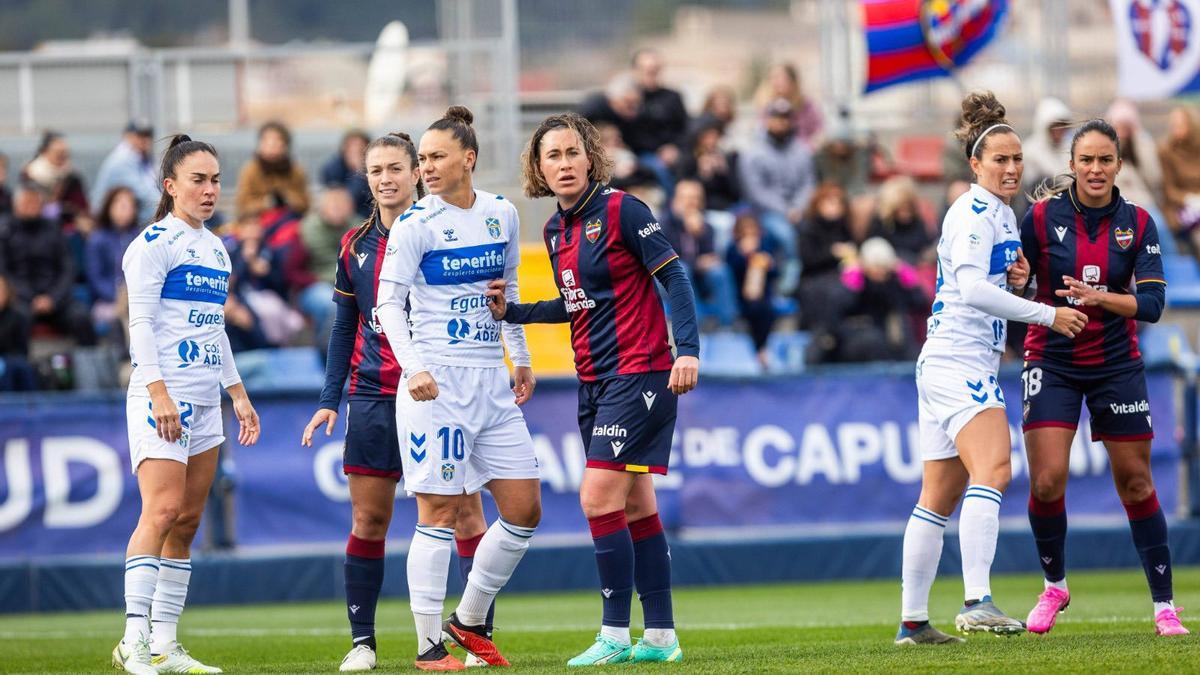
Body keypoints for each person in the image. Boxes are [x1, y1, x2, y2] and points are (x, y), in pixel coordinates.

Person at [486, 111, 699, 665]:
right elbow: (579, 303)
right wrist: (516, 311)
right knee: (634, 506)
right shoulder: (556, 231)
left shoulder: (623, 210)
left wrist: (689, 349)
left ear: (591, 158)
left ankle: (613, 633)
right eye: (551, 156)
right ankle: (660, 637)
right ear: (538, 167)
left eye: (572, 153)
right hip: (595, 379)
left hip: (641, 372)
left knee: (596, 498)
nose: (563, 164)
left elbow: (673, 276)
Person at [896, 92, 1088, 646]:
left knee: (937, 495)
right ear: (976, 165)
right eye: (999, 160)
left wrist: (1022, 282)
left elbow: (987, 285)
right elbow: (974, 290)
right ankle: (977, 599)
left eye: (1016, 159)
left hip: (946, 360)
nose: (1010, 168)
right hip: (959, 360)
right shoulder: (975, 211)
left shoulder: (1001, 215)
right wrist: (1048, 313)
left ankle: (912, 622)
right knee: (996, 470)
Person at [300, 131, 496, 672]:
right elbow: (344, 329)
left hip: (442, 393)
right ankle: (363, 642)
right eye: (375, 171)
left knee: (463, 510)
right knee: (369, 519)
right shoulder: (353, 246)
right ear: (366, 180)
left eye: (395, 168)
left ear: (416, 172)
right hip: (373, 393)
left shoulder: (446, 230)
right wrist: (328, 399)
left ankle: (473, 638)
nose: (386, 179)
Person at [375, 106, 542, 670]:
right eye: (422, 159)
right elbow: (387, 305)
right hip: (437, 386)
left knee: (525, 508)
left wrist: (519, 358)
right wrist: (414, 367)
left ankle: (468, 620)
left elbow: (508, 288)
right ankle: (427, 650)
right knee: (439, 512)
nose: (426, 167)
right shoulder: (414, 224)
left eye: (436, 156)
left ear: (468, 158)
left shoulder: (501, 212)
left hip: (492, 382)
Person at [1019, 119, 1187, 637]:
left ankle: (1164, 606)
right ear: (1071, 165)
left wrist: (1100, 300)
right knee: (1047, 481)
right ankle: (1055, 586)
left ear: (1118, 165)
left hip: (1116, 363)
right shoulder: (1041, 217)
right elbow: (1017, 284)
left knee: (1136, 482)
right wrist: (1020, 284)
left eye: (1105, 160)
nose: (1095, 169)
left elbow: (1155, 305)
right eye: (1086, 160)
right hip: (1051, 359)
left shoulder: (1138, 222)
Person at [111, 134, 260, 675]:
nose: (210, 189)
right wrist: (158, 393)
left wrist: (237, 392)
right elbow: (141, 325)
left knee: (189, 520)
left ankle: (165, 646)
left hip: (204, 399)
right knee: (163, 510)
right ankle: (133, 639)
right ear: (171, 186)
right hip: (163, 396)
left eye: (216, 179)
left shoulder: (216, 248)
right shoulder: (152, 243)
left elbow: (213, 327)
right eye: (198, 179)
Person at [0, 182, 96, 346]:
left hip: (56, 297)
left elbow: (68, 267)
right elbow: (5, 273)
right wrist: (31, 298)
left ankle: (89, 368)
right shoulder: (6, 232)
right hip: (20, 299)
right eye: (26, 202)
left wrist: (52, 298)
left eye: (34, 202)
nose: (30, 206)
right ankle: (22, 369)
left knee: (80, 317)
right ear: (16, 205)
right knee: (16, 320)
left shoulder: (54, 229)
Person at [740, 97, 817, 292]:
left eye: (785, 118)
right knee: (785, 234)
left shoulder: (802, 150)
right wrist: (785, 210)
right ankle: (787, 285)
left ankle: (809, 282)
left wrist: (798, 207)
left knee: (814, 229)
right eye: (776, 117)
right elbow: (755, 191)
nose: (781, 122)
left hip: (798, 209)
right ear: (767, 120)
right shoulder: (753, 152)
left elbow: (808, 183)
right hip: (765, 211)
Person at [290, 186, 358, 351]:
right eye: (333, 205)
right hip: (316, 285)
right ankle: (328, 352)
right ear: (322, 207)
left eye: (341, 205)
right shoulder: (306, 229)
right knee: (332, 305)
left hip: (352, 283)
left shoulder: (359, 228)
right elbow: (292, 270)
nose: (337, 210)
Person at [662, 178, 736, 328]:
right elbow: (668, 259)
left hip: (699, 276)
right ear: (676, 200)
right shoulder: (664, 224)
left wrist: (699, 234)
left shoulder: (707, 226)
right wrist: (696, 262)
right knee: (682, 269)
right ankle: (695, 324)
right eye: (688, 198)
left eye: (696, 198)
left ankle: (728, 324)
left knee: (720, 271)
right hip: (671, 279)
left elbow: (709, 255)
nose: (692, 203)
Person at [726, 210, 779, 370]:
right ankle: (757, 349)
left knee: (767, 311)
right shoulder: (732, 249)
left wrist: (769, 265)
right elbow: (730, 271)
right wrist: (743, 256)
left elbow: (775, 274)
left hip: (763, 297)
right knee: (751, 312)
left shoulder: (764, 248)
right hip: (739, 296)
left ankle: (761, 348)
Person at [85, 187, 141, 337]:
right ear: (108, 207)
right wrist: (118, 297)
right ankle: (125, 358)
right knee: (120, 318)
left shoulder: (142, 238)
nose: (124, 208)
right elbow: (95, 278)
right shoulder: (97, 239)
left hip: (137, 298)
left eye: (129, 204)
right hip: (108, 301)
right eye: (119, 203)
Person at [235, 121, 310, 218]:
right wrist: (266, 203)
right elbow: (242, 206)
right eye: (266, 140)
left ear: (285, 145)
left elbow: (306, 203)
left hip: (289, 221)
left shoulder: (296, 171)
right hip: (259, 223)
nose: (271, 144)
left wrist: (287, 199)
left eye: (277, 140)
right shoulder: (250, 170)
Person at [92, 120, 161, 224]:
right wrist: (170, 208)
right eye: (139, 136)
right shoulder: (123, 159)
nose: (144, 140)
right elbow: (145, 195)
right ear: (127, 136)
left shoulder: (144, 159)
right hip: (108, 226)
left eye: (147, 136)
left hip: (126, 224)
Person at [21, 131, 90, 230]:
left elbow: (82, 207)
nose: (63, 157)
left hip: (69, 229)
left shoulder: (73, 177)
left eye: (65, 153)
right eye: (59, 153)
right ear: (45, 152)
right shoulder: (29, 175)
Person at [865, 176, 936, 266]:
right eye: (901, 209)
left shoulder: (917, 222)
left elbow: (926, 246)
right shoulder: (880, 225)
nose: (906, 213)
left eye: (909, 208)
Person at [1158, 105, 1200, 256]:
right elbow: (1168, 190)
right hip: (1180, 208)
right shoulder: (1166, 151)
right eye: (1173, 125)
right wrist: (1189, 199)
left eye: (1180, 125)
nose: (1175, 129)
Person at [753, 62, 823, 146]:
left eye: (782, 78)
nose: (777, 82)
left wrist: (808, 147)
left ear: (793, 81)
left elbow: (819, 131)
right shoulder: (765, 106)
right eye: (773, 78)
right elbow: (760, 135)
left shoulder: (805, 105)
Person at [320, 129, 374, 218]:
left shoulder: (374, 166)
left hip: (367, 215)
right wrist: (358, 170)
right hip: (343, 218)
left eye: (360, 148)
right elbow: (346, 200)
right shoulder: (333, 168)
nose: (355, 150)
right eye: (351, 147)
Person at [0, 275, 36, 391]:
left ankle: (28, 405)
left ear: (7, 293)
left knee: (17, 367)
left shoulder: (19, 317)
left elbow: (22, 350)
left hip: (11, 359)